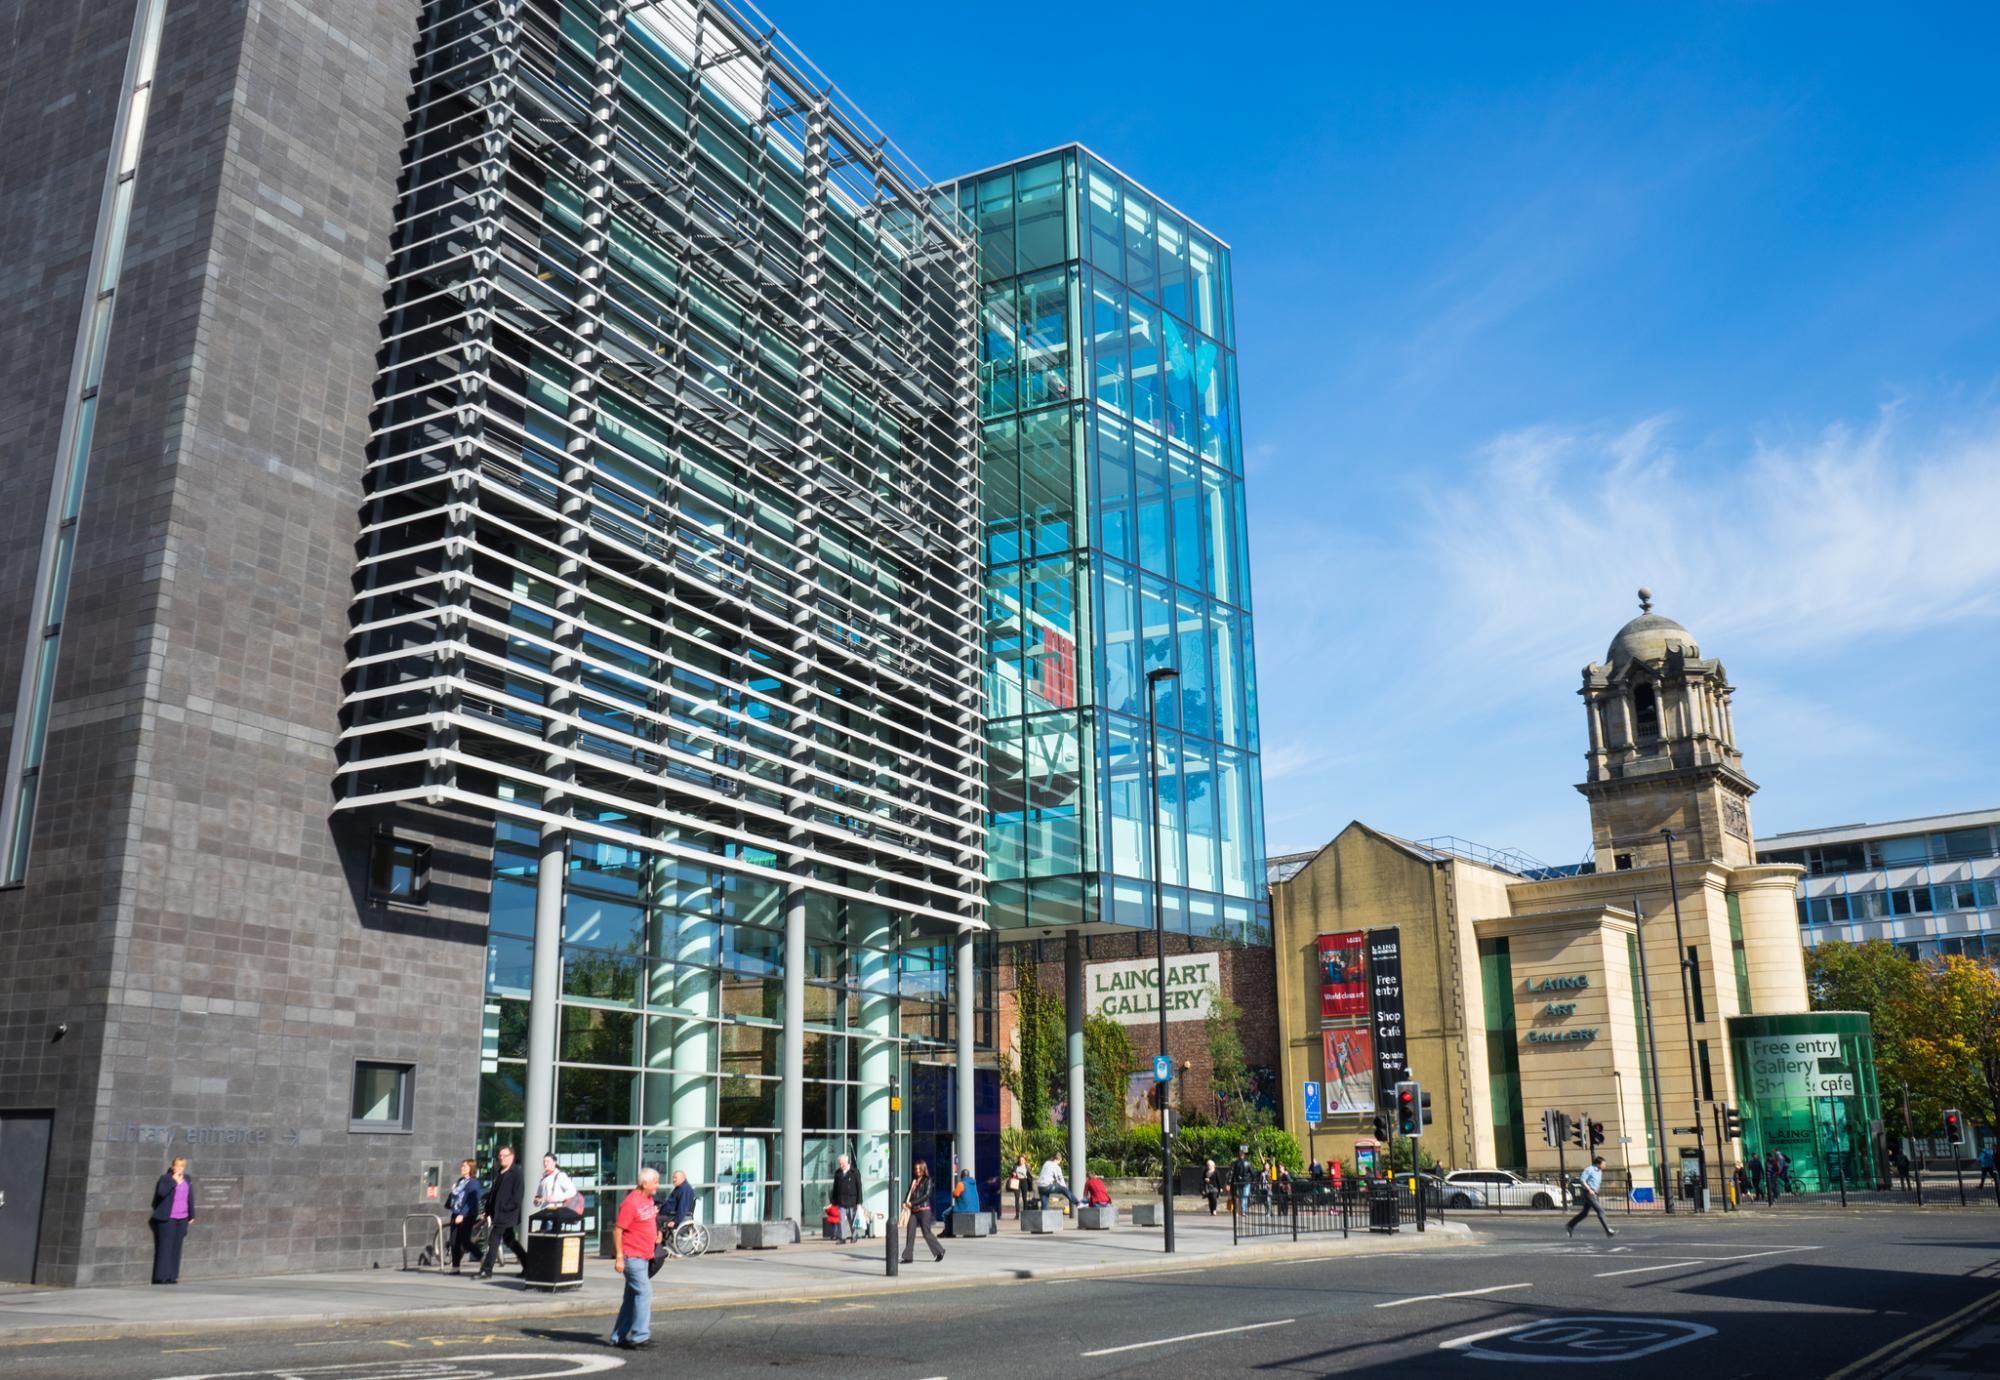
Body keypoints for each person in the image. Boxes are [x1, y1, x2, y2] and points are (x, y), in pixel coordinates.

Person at [608, 1168, 660, 1350]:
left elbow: (649, 1220)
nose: (657, 1185)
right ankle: (640, 1335)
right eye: (655, 1182)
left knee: (631, 1298)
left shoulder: (648, 1199)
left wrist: (657, 1233)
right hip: (633, 1256)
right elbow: (618, 1230)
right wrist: (619, 1257)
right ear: (644, 1183)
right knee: (644, 1292)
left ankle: (618, 1337)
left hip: (644, 1255)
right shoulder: (631, 1202)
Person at [478, 1145, 527, 1278]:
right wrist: (488, 1210)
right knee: (510, 1240)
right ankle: (529, 1266)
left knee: (493, 1239)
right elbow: (493, 1194)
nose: (501, 1158)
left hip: (507, 1215)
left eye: (504, 1156)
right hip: (498, 1214)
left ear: (511, 1157)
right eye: (500, 1156)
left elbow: (517, 1196)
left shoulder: (516, 1173)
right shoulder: (501, 1172)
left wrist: (505, 1207)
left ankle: (486, 1270)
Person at [149, 1156, 195, 1284]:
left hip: (182, 1218)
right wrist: (173, 1181)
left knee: (176, 1247)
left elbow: (190, 1198)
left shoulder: (188, 1179)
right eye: (177, 1166)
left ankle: (172, 1276)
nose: (179, 1168)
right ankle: (161, 1276)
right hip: (167, 1218)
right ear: (172, 1166)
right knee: (165, 1247)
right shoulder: (166, 1178)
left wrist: (192, 1215)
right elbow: (161, 1193)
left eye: (182, 1166)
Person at [648, 1169, 695, 1278]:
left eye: (675, 1178)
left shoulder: (685, 1190)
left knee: (656, 1219)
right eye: (673, 1177)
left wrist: (675, 1221)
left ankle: (654, 1242)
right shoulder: (679, 1188)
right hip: (668, 1212)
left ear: (683, 1178)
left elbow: (682, 1208)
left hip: (672, 1215)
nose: (673, 1179)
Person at [900, 1160, 945, 1265]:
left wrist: (912, 1203)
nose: (917, 1171)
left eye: (919, 1169)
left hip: (924, 1210)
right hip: (913, 1211)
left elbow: (926, 1195)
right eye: (916, 1169)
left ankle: (939, 1251)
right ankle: (908, 1257)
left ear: (923, 1169)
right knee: (910, 1232)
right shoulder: (914, 1180)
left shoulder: (927, 1180)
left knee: (926, 1233)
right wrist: (904, 1202)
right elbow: (909, 1193)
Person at [446, 1158, 482, 1273]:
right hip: (455, 1213)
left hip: (467, 1215)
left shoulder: (473, 1183)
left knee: (465, 1241)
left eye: (465, 1166)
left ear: (471, 1168)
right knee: (454, 1241)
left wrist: (462, 1214)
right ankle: (455, 1267)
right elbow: (456, 1196)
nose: (462, 1168)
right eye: (462, 1166)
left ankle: (482, 1258)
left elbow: (472, 1201)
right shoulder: (460, 1181)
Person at [1566, 1155, 1615, 1239]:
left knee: (1584, 1213)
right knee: (1601, 1211)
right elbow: (1582, 1179)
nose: (1605, 1166)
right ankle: (1608, 1231)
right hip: (1589, 1193)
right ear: (1598, 1164)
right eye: (1603, 1164)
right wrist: (1589, 1189)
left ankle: (1570, 1225)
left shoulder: (1599, 1171)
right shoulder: (1589, 1169)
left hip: (1593, 1193)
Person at [533, 1153, 580, 1219]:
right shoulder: (544, 1178)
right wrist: (537, 1201)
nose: (545, 1163)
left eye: (548, 1161)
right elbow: (539, 1196)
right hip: (545, 1212)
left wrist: (557, 1198)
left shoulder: (560, 1175)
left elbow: (572, 1190)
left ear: (554, 1162)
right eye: (544, 1161)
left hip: (556, 1212)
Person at [831, 1154, 862, 1243]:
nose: (841, 1165)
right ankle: (842, 1237)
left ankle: (854, 1235)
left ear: (846, 1162)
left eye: (842, 1164)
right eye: (840, 1164)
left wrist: (859, 1201)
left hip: (852, 1200)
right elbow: (835, 1187)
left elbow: (859, 1187)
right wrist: (834, 1200)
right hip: (841, 1200)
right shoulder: (838, 1173)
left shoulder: (854, 1172)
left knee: (852, 1219)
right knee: (841, 1220)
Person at [1230, 1146, 1255, 1213]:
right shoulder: (1248, 1163)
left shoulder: (1235, 1163)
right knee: (1244, 1196)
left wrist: (1229, 1182)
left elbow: (1232, 1173)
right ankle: (1242, 1210)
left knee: (1242, 1196)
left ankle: (1242, 1210)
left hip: (1239, 1182)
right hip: (1246, 1182)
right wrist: (1252, 1181)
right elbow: (1252, 1173)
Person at [1008, 1154, 1033, 1219]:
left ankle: (1025, 1213)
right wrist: (1013, 1173)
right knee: (1017, 1198)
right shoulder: (1016, 1166)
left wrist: (1030, 1184)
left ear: (1025, 1160)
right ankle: (1017, 1214)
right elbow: (1012, 1172)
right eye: (1020, 1160)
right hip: (1017, 1181)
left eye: (1022, 1160)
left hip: (1024, 1181)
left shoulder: (1027, 1166)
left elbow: (1030, 1175)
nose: (1021, 1161)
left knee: (1024, 1198)